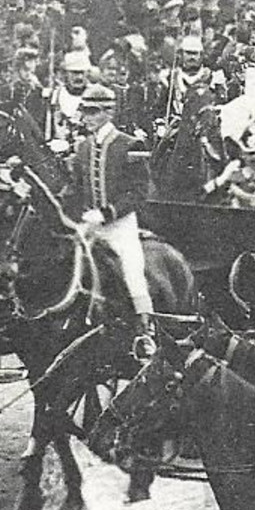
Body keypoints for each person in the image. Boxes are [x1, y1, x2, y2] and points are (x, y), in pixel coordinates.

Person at [68, 83, 157, 359]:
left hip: (120, 224)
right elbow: (77, 187)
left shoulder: (130, 144)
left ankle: (145, 330)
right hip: (91, 224)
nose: (87, 117)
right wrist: (80, 213)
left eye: (93, 112)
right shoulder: (82, 147)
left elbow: (140, 192)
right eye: (85, 111)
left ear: (108, 112)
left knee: (132, 271)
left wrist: (107, 213)